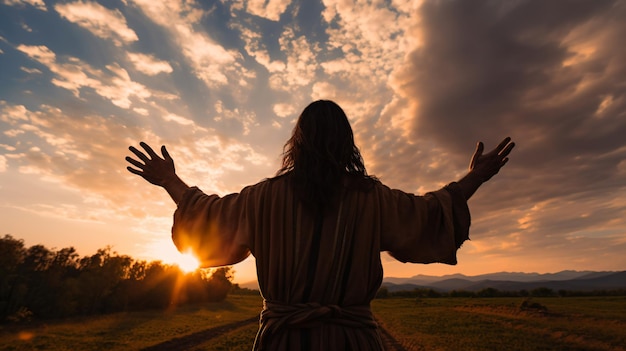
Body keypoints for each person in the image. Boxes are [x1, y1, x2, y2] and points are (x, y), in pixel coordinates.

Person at [125, 100, 514, 350]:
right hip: (352, 343)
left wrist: (169, 181)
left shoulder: (263, 198)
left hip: (284, 344)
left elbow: (206, 216)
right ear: (347, 143)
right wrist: (476, 177)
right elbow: (430, 213)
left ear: (299, 141)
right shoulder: (371, 198)